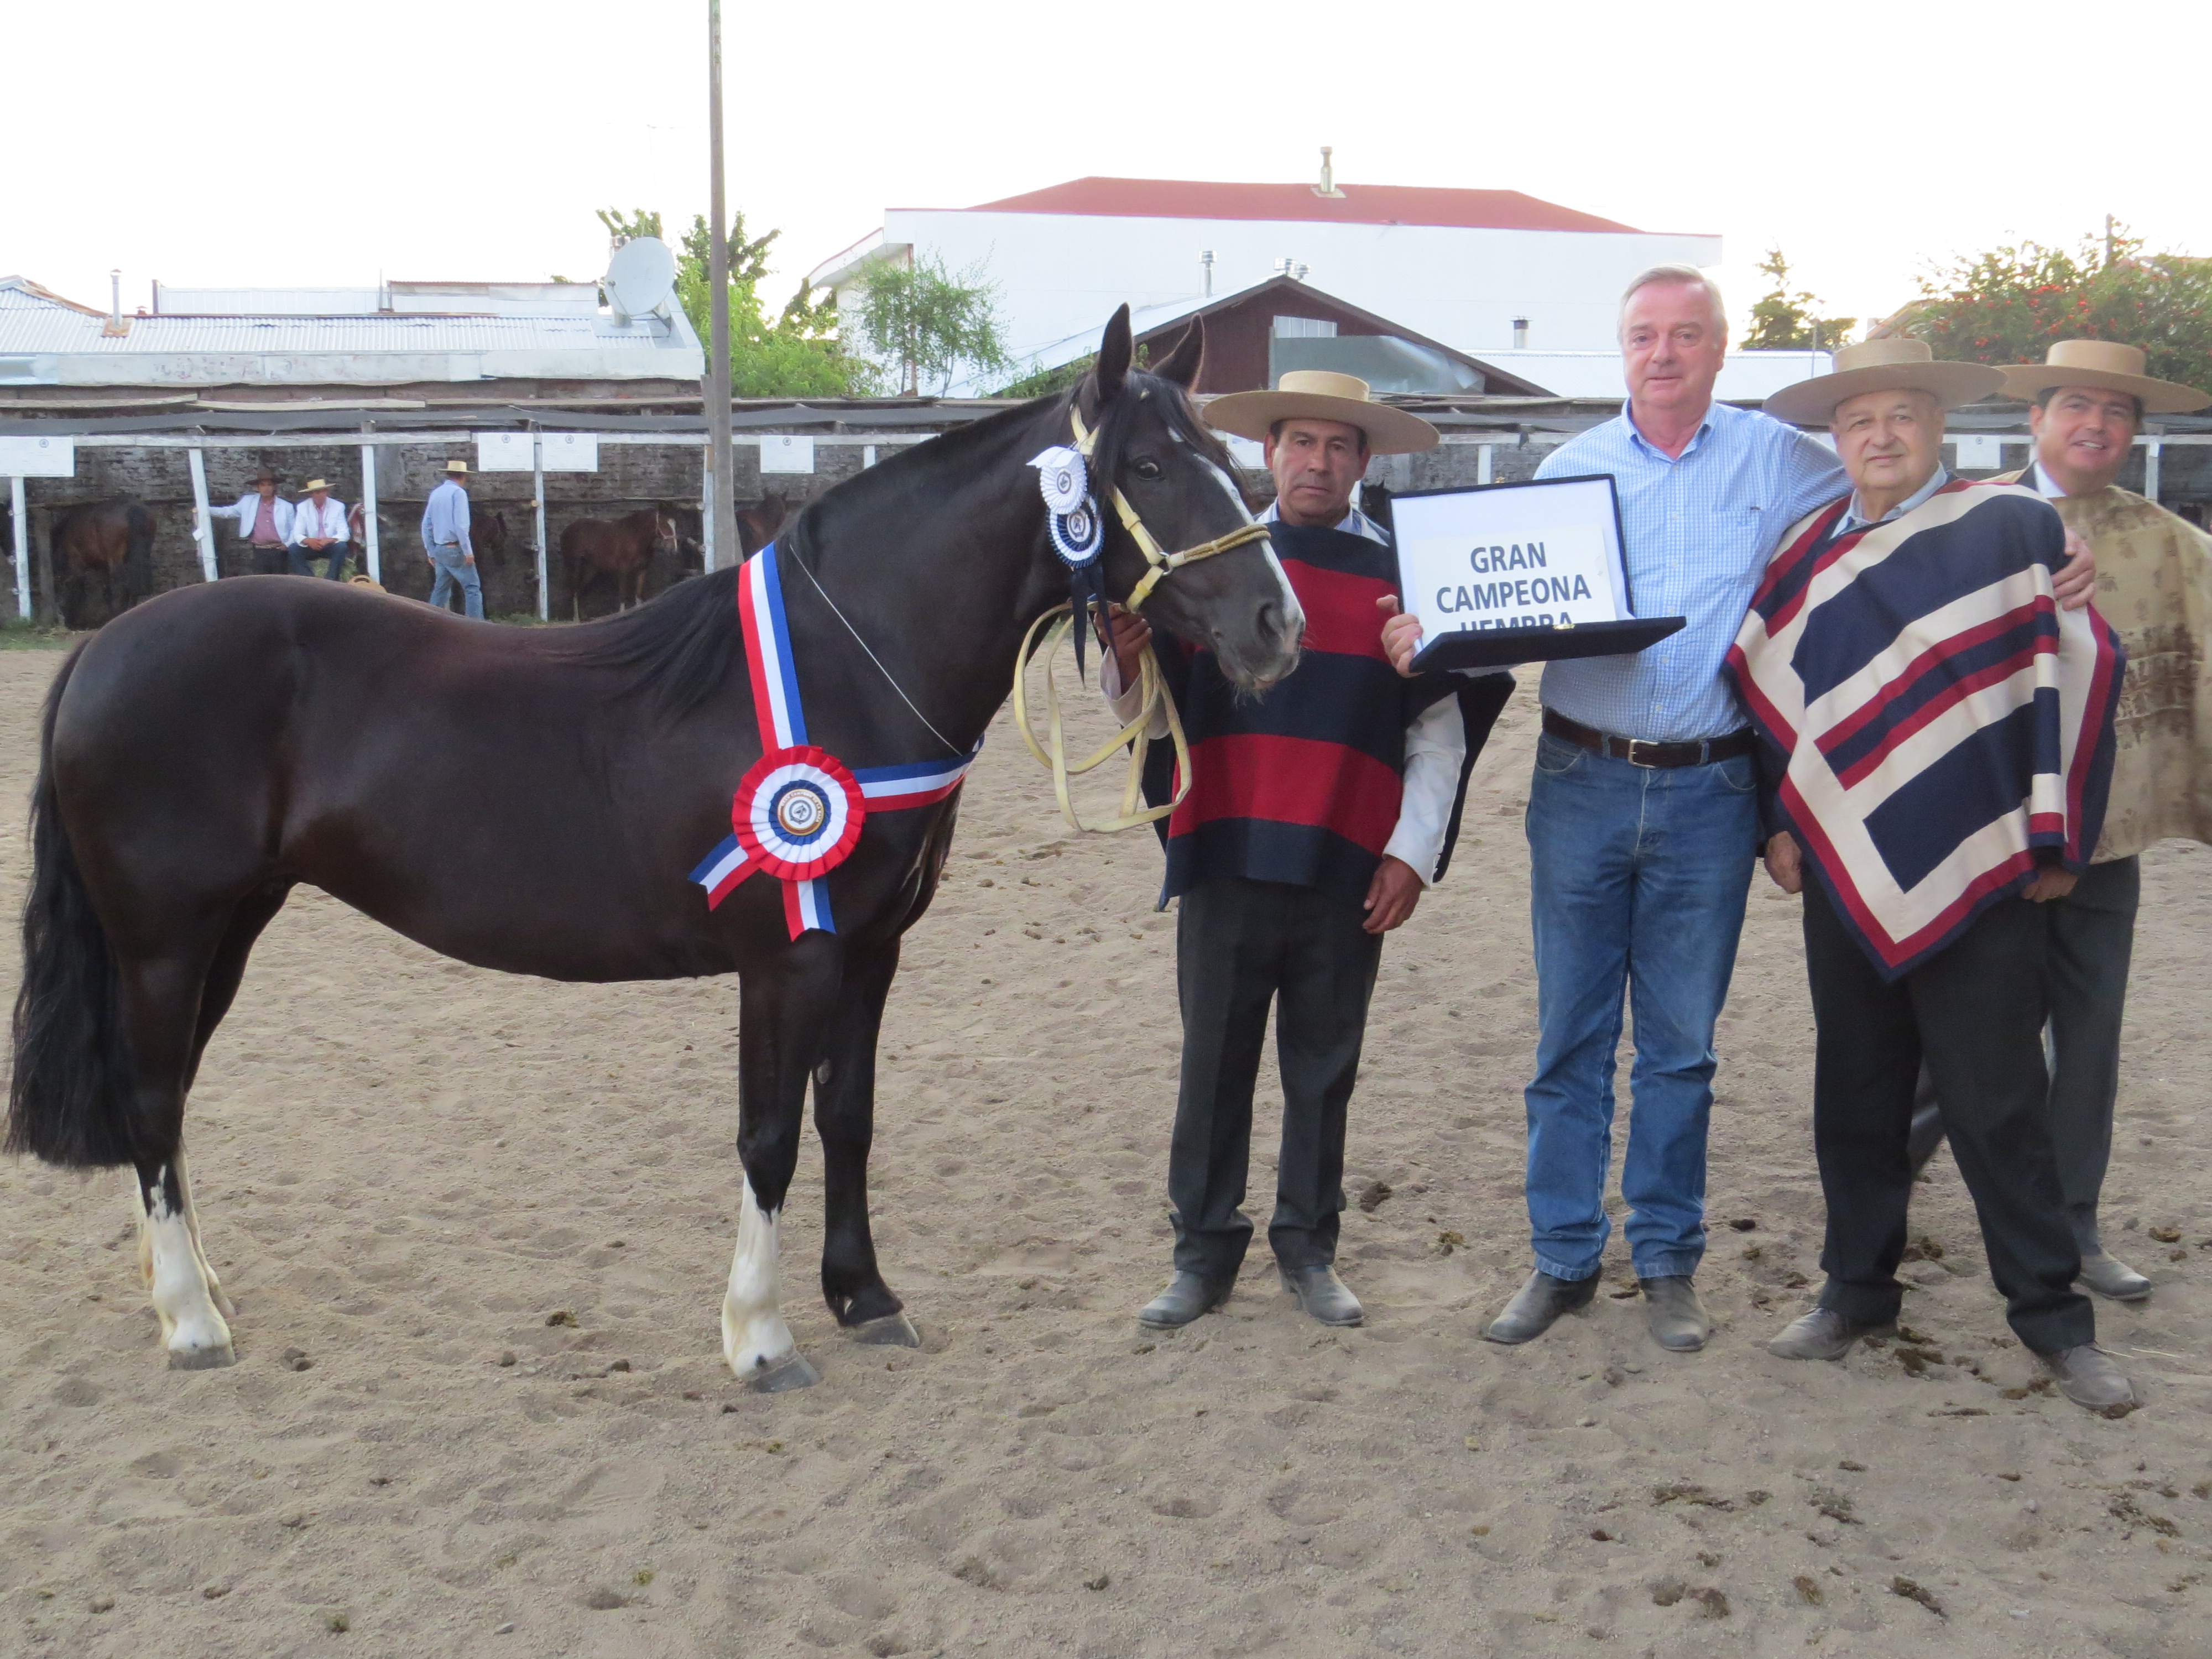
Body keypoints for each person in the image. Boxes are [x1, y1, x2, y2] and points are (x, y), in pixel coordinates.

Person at [1381, 268, 2099, 1354]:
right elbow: (1495, 610)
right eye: (1643, 335)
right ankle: (1561, 1258)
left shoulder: (1783, 458)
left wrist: (2047, 534)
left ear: (1720, 351)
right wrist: (1425, 635)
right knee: (1567, 1042)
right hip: (1579, 780)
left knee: (1680, 1049)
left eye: (1686, 335)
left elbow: (1908, 486)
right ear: (1621, 349)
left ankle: (1667, 1262)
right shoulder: (1566, 471)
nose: (1663, 354)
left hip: (1711, 790)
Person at [1731, 337, 2133, 1414]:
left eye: (1901, 414)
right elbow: (1772, 698)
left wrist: (2061, 841)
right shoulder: (1805, 554)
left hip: (1985, 860)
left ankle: (2053, 1319)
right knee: (1855, 1092)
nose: (1881, 436)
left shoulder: (2008, 527)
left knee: (1999, 1102)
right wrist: (1777, 822)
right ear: (1835, 437)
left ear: (1937, 425)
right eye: (1859, 420)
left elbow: (2087, 670)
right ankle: (1854, 1292)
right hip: (1844, 861)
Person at [1109, 371, 1513, 1331]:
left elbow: (1438, 733)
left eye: (1338, 446)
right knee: (1213, 1065)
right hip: (1227, 846)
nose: (1317, 463)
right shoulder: (1206, 563)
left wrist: (1410, 855)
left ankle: (1308, 1248)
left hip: (1345, 862)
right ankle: (1202, 1253)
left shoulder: (1402, 579)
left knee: (1324, 1069)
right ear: (1269, 451)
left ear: (1363, 461)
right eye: (1301, 442)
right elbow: (1153, 718)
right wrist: (1125, 661)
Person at [1907, 341, 2212, 1304]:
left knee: (2088, 1040)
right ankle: (1880, 1192)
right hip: (1986, 833)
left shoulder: (2170, 544)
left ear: (2135, 433)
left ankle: (2075, 1225)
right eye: (2076, 404)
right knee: (1961, 1036)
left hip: (2104, 837)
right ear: (2034, 418)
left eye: (2117, 411)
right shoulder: (1966, 518)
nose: (2096, 425)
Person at [421, 459, 482, 619]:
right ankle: (476, 624)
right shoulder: (459, 494)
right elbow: (461, 526)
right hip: (455, 548)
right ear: (464, 476)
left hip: (439, 549)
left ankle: (428, 621)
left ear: (448, 474)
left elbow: (426, 525)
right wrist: (468, 551)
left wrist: (430, 551)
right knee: (472, 587)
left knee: (441, 589)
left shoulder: (436, 493)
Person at [205, 467, 295, 576]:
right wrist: (205, 509)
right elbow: (227, 512)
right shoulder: (248, 502)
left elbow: (294, 528)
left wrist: (287, 545)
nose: (266, 488)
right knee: (260, 581)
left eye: (269, 485)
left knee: (280, 581)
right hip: (259, 550)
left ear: (274, 487)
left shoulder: (286, 506)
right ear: (258, 487)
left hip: (279, 550)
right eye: (263, 485)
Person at [290, 478, 351, 581]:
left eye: (323, 492)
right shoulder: (302, 507)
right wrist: (309, 541)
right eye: (317, 492)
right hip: (312, 545)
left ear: (327, 492)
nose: (321, 495)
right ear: (311, 494)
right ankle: (309, 580)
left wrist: (329, 540)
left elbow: (345, 533)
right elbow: (297, 534)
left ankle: (331, 579)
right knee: (293, 549)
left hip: (329, 545)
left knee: (342, 547)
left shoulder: (338, 506)